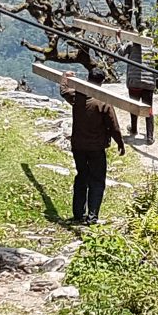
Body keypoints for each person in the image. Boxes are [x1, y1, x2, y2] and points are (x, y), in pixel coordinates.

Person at [60, 68, 125, 225]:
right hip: (96, 148)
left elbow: (64, 91)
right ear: (102, 82)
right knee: (97, 180)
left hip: (78, 146)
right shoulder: (103, 101)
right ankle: (92, 216)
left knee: (82, 176)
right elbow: (113, 126)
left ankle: (77, 214)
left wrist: (65, 77)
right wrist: (120, 143)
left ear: (88, 79)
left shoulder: (77, 96)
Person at [118, 41, 156, 144]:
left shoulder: (131, 44)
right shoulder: (152, 46)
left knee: (134, 107)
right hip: (149, 82)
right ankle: (149, 136)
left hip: (134, 82)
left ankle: (134, 129)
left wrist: (118, 39)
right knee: (149, 109)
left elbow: (120, 52)